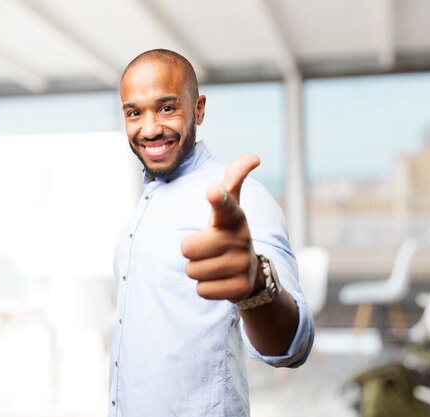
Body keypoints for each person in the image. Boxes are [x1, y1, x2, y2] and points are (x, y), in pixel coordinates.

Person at [108, 48, 314, 417]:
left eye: (167, 107)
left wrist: (255, 286)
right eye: (134, 113)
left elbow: (292, 345)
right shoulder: (146, 202)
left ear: (199, 108)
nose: (150, 127)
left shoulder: (241, 196)